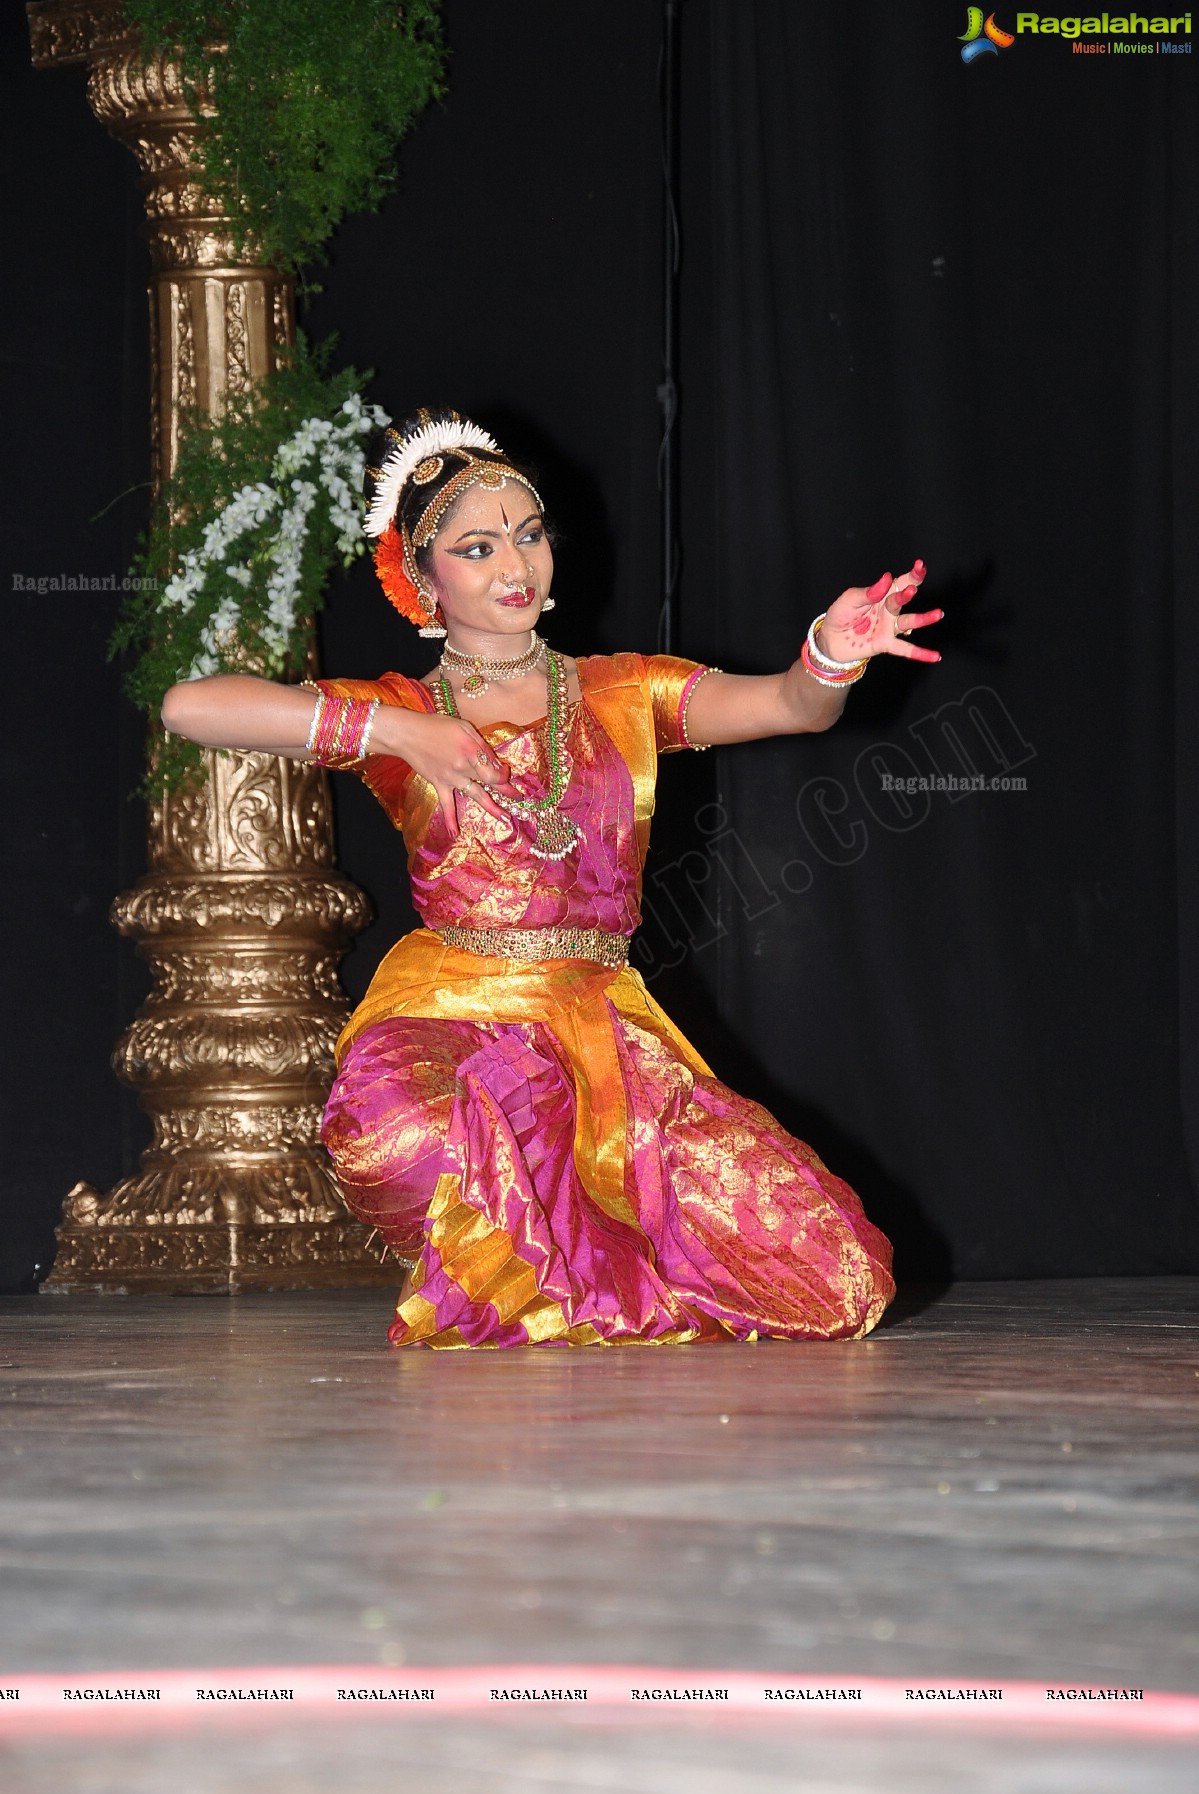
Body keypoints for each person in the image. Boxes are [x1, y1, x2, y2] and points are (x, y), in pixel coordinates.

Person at [162, 409, 942, 1349]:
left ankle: (593, 1279)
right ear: (421, 577)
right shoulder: (402, 710)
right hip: (452, 1011)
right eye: (477, 547)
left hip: (603, 1028)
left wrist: (830, 650)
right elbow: (191, 706)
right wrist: (400, 734)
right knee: (397, 1137)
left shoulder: (622, 690)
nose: (515, 567)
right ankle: (564, 1285)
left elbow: (788, 705)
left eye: (527, 537)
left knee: (838, 1280)